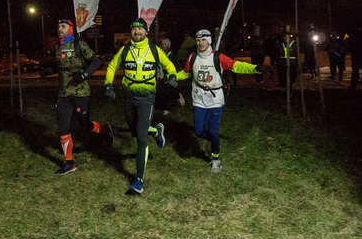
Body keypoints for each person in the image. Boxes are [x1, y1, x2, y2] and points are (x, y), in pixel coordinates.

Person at [104, 18, 187, 195]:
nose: (137, 32)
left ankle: (138, 180)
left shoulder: (154, 50)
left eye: (140, 29)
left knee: (141, 138)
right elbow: (111, 67)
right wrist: (108, 85)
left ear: (146, 32)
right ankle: (156, 130)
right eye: (134, 29)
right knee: (134, 130)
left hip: (147, 97)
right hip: (129, 96)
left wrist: (173, 76)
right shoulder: (125, 50)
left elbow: (169, 65)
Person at [184, 29, 267, 173]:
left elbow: (236, 65)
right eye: (198, 40)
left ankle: (215, 158)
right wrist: (172, 76)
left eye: (203, 40)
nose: (200, 43)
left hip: (215, 98)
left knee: (213, 131)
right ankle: (211, 141)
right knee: (198, 131)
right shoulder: (193, 57)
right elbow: (185, 73)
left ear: (209, 41)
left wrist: (255, 68)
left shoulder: (218, 57)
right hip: (198, 97)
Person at [53, 19, 112, 174]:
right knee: (63, 127)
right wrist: (49, 71)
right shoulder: (57, 46)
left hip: (81, 92)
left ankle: (103, 130)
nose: (59, 29)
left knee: (84, 125)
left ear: (70, 29)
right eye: (58, 26)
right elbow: (60, 66)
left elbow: (96, 62)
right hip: (64, 93)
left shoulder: (79, 44)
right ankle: (69, 162)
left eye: (63, 26)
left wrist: (84, 75)